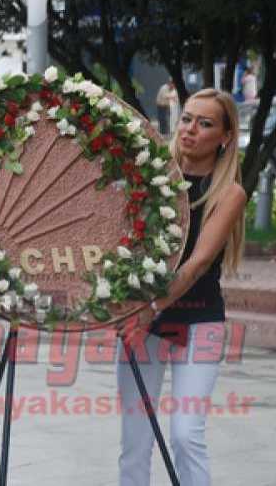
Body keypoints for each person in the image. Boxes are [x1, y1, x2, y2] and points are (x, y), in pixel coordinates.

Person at [117, 88, 247, 486]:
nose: (190, 129)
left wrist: (149, 311)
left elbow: (197, 264)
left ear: (224, 136)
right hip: (141, 318)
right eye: (187, 118)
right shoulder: (150, 176)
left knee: (186, 434)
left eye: (205, 123)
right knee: (135, 438)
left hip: (197, 320)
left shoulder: (229, 193)